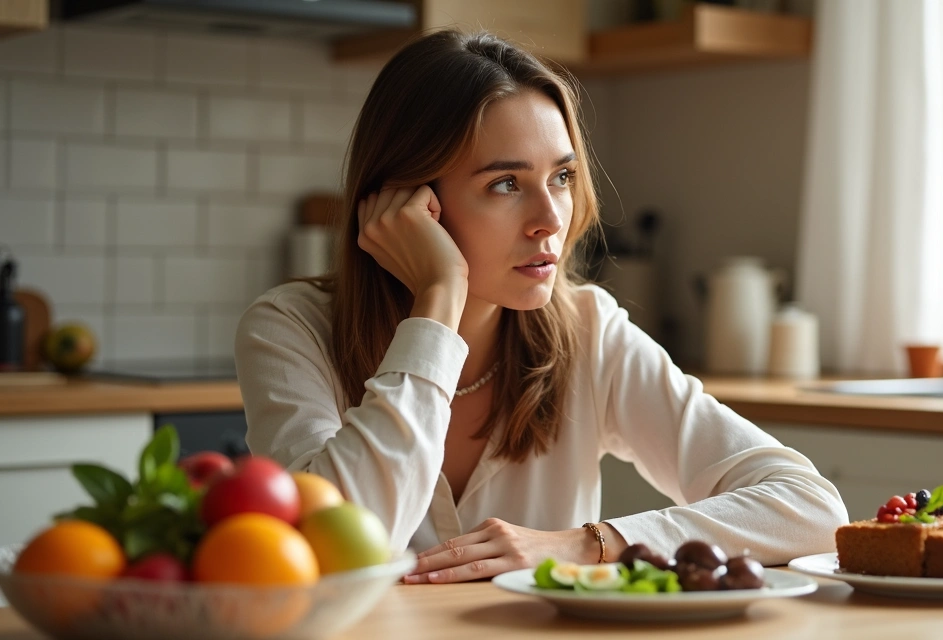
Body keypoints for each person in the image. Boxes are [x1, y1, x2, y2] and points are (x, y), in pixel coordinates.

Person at [235, 29, 848, 585]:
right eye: (505, 184)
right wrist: (439, 299)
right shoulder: (291, 329)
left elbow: (811, 508)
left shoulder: (588, 329)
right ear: (407, 201)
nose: (551, 220)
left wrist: (591, 544)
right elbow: (332, 551)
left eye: (560, 176)